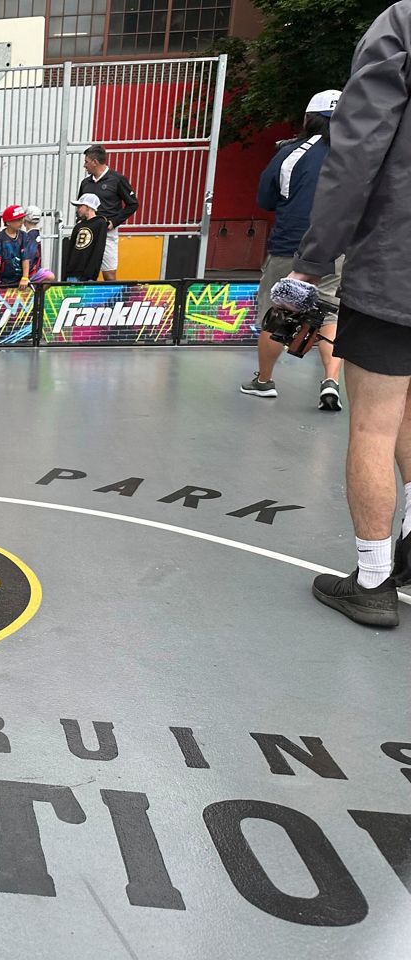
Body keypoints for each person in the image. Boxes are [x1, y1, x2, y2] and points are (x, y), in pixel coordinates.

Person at [289, 2, 411, 627]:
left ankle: (372, 579)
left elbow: (358, 154)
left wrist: (311, 264)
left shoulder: (402, 25)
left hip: (398, 267)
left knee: (375, 425)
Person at [241, 90, 345, 411]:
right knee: (330, 312)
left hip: (291, 246)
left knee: (279, 313)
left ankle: (264, 380)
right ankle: (330, 381)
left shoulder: (290, 153)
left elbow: (266, 199)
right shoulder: (358, 155)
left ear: (307, 119)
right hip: (339, 248)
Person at [78, 146, 139, 281]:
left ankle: (111, 301)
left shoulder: (117, 179)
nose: (84, 165)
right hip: (88, 233)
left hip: (107, 233)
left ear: (95, 162)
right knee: (82, 273)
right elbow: (80, 206)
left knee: (109, 274)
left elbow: (133, 204)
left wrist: (114, 222)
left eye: (86, 162)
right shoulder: (85, 183)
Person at [0, 205, 36, 290]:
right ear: (8, 222)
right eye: (18, 220)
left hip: (22, 278)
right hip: (4, 280)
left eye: (22, 219)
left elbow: (26, 258)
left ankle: (38, 298)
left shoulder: (24, 236)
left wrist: (25, 277)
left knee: (48, 276)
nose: (21, 222)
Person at [63, 194, 109, 282]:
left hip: (87, 273)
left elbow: (98, 250)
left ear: (87, 207)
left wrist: (92, 274)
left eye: (80, 206)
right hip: (72, 271)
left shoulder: (100, 223)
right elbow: (71, 249)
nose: (78, 209)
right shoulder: (78, 225)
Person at [22, 205, 55, 284]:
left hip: (30, 272)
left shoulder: (29, 236)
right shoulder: (35, 234)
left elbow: (30, 255)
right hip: (34, 270)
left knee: (49, 276)